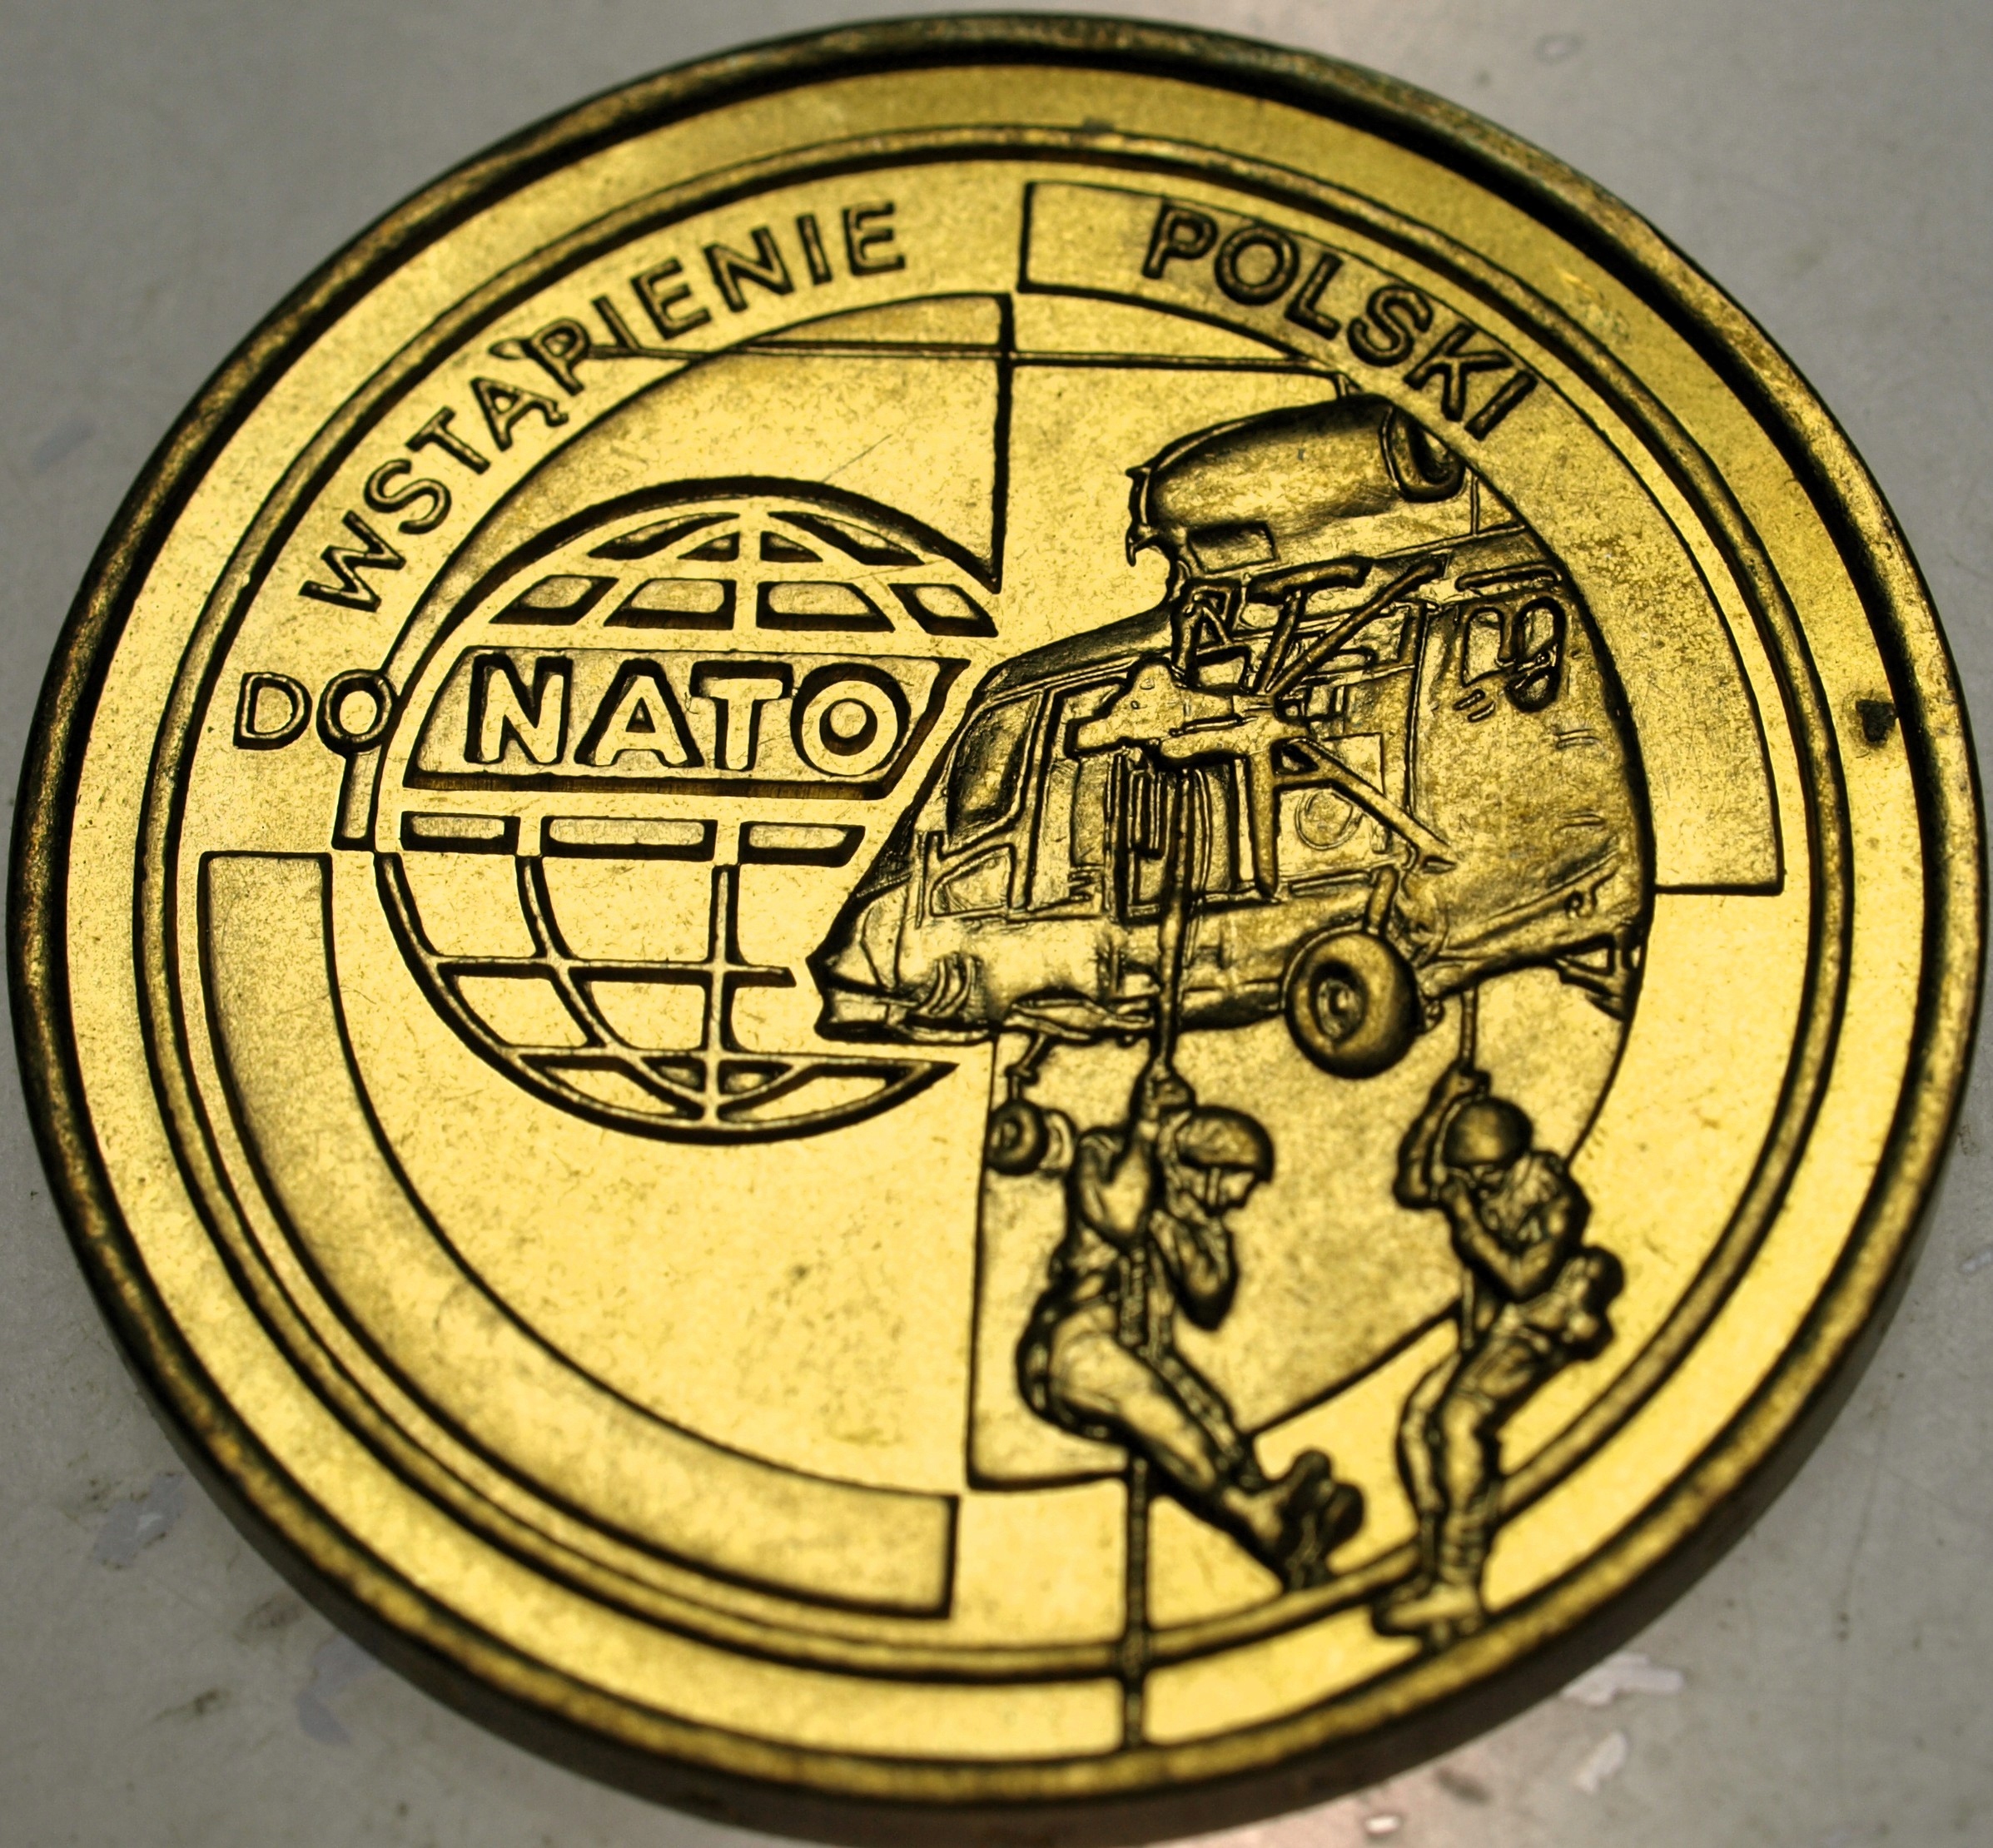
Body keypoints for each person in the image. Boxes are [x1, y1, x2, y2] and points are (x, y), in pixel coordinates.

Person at [1017, 1061, 1362, 1589]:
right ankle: (1261, 1519)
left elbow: (1209, 1298)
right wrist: (1145, 1131)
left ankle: (1286, 1525)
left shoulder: (1198, 1220)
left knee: (1214, 1421)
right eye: (1239, 1183)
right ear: (1208, 1167)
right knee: (1164, 1418)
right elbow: (1121, 1219)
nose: (1239, 1199)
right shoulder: (1106, 1153)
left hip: (1142, 1351)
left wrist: (1181, 1219)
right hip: (1072, 1345)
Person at [1379, 1059, 1623, 1642]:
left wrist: (1467, 1222)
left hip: (1542, 1323)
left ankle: (1460, 1580)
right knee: (1418, 1423)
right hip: (1495, 1331)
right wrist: (1441, 1103)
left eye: (1488, 1176)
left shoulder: (1552, 1196)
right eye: (1470, 1177)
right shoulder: (1475, 1178)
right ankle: (1436, 1561)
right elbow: (1412, 1185)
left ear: (1513, 1160)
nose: (1477, 1186)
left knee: (1459, 1422)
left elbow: (1522, 1279)